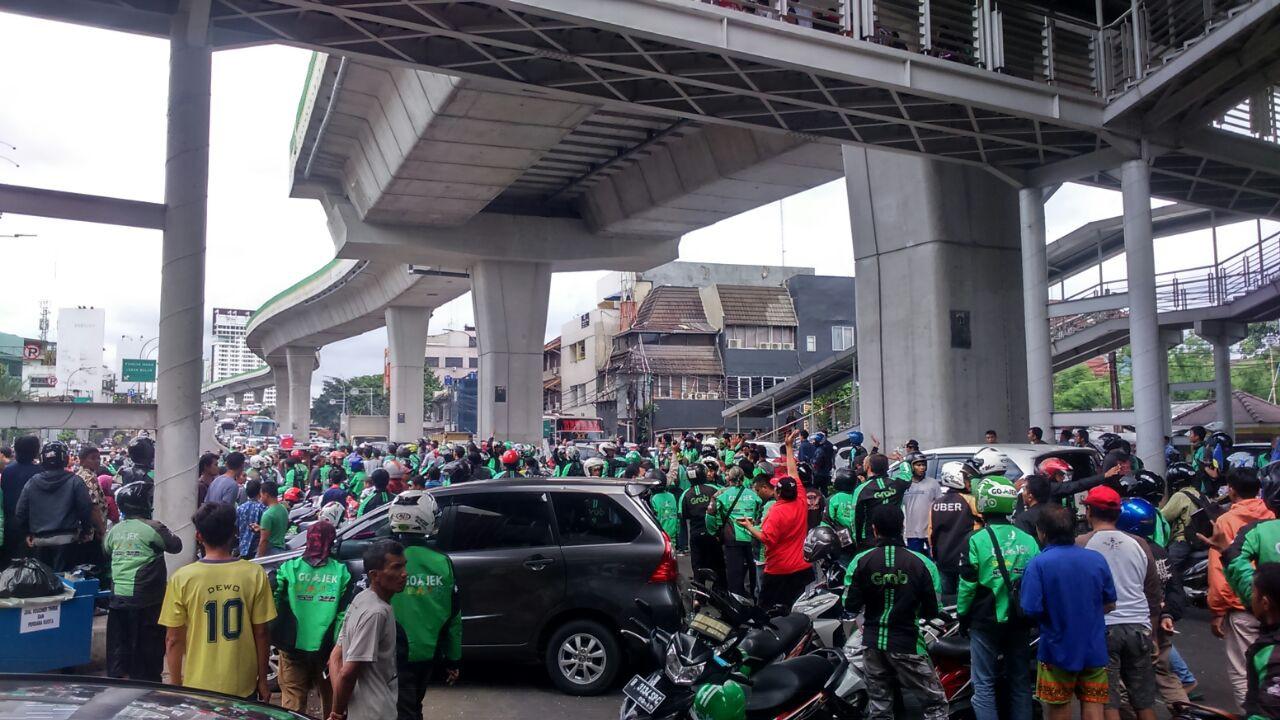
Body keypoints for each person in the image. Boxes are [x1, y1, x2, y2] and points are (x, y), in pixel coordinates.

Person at [160, 502, 276, 700]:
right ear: (234, 532)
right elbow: (262, 633)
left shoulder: (182, 578)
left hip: (199, 685)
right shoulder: (254, 574)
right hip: (242, 684)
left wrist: (176, 686)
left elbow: (173, 639)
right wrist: (263, 680)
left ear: (199, 536)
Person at [842, 505, 947, 720]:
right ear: (902, 526)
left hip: (872, 645)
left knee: (880, 707)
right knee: (935, 704)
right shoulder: (923, 563)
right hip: (907, 643)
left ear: (874, 529)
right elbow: (932, 609)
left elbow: (850, 604)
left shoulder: (859, 561)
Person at [1020, 504, 1115, 720]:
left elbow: (1031, 609)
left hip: (1056, 650)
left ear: (1041, 532)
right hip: (1094, 648)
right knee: (1093, 704)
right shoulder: (1096, 559)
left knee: (1059, 707)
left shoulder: (1038, 564)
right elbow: (1110, 603)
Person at [1076, 486, 1161, 720]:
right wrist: (1153, 634)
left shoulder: (1081, 543)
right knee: (1143, 701)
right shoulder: (1140, 544)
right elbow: (1153, 593)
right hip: (1138, 627)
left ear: (1089, 511)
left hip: (1103, 628)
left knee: (1107, 700)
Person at [958, 478, 1039, 720]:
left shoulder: (975, 540)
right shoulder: (1028, 539)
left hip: (984, 622)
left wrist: (963, 617)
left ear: (982, 504)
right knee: (1021, 682)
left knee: (983, 683)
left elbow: (967, 586)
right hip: (1020, 621)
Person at [1205, 467, 1275, 710]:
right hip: (1275, 605)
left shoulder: (1226, 521)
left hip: (1242, 607)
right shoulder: (1271, 516)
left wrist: (1218, 610)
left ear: (1231, 490)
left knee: (1243, 671)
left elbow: (1219, 571)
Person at [387, 491, 462, 720]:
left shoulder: (385, 562)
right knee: (413, 706)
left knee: (403, 710)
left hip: (391, 655)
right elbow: (453, 616)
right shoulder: (441, 562)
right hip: (427, 654)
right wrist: (453, 659)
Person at [104, 481, 182, 681]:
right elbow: (175, 546)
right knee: (149, 646)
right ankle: (147, 682)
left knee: (119, 643)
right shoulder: (154, 527)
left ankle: (119, 677)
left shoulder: (114, 531)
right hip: (147, 599)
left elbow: (106, 550)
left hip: (118, 598)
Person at [1116, 498, 1189, 710]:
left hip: (1135, 624)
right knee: (1165, 675)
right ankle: (1184, 712)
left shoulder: (1128, 551)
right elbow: (1174, 588)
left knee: (1123, 680)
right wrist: (1167, 614)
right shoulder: (1159, 550)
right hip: (1160, 622)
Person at [274, 520, 353, 716]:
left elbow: (275, 603)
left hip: (293, 648)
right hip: (327, 651)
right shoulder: (341, 571)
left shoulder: (289, 568)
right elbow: (344, 614)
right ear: (332, 541)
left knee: (291, 704)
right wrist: (337, 648)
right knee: (332, 705)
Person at [328, 540, 407, 720]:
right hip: (374, 712)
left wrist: (340, 701)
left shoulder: (360, 599)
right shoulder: (376, 613)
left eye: (404, 566)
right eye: (396, 568)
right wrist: (337, 713)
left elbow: (335, 657)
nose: (404, 574)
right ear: (374, 575)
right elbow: (348, 672)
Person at [738, 432, 813, 610]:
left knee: (766, 611)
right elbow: (793, 472)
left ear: (778, 493)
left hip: (779, 570)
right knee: (796, 610)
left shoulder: (775, 512)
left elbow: (766, 538)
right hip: (802, 568)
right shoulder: (801, 500)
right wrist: (788, 447)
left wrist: (748, 526)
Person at [14, 441, 94, 572]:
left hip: (39, 541)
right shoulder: (75, 481)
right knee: (66, 584)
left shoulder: (32, 482)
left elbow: (20, 511)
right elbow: (85, 508)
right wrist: (85, 530)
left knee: (42, 583)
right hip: (68, 540)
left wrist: (27, 532)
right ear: (66, 459)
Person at [707, 466, 761, 598]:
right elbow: (759, 517)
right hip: (753, 537)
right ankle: (755, 602)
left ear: (729, 478)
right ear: (743, 479)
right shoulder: (754, 495)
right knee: (754, 573)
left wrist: (714, 532)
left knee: (734, 574)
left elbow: (710, 515)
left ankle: (735, 603)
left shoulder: (721, 494)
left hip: (732, 539)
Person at [929, 461, 981, 595]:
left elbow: (931, 533)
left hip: (943, 560)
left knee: (946, 599)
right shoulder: (970, 501)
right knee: (965, 597)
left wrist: (936, 556)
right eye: (966, 479)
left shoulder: (936, 504)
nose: (969, 482)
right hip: (966, 560)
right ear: (956, 479)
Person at [1240, 563, 1280, 720]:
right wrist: (1228, 553)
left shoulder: (1274, 657)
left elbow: (1269, 714)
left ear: (1265, 603)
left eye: (1252, 592)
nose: (1249, 597)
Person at [849, 454, 909, 551]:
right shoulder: (898, 483)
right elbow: (907, 474)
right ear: (887, 468)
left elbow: (855, 517)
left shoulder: (861, 489)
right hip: (896, 538)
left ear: (868, 467)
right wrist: (902, 460)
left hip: (871, 540)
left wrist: (857, 540)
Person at [680, 463, 724, 586]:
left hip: (695, 534)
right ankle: (719, 593)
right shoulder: (714, 489)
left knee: (698, 566)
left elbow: (683, 515)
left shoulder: (685, 494)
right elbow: (722, 508)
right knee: (718, 564)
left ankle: (699, 596)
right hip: (714, 533)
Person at [1, 435, 41, 561]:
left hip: (10, 524)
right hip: (33, 526)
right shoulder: (40, 472)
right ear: (35, 451)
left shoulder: (7, 471)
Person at [901, 452, 942, 555]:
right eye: (918, 465)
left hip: (929, 533)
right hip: (910, 534)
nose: (922, 468)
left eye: (923, 465)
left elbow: (939, 506)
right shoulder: (903, 484)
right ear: (911, 466)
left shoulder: (933, 483)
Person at [256, 481, 290, 558]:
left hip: (271, 553)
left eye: (261, 495)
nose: (260, 498)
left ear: (266, 495)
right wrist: (261, 529)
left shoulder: (267, 515)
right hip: (282, 549)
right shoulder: (283, 509)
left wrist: (259, 559)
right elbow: (278, 528)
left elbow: (264, 540)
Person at [235, 478, 266, 559]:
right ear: (260, 492)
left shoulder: (240, 508)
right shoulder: (263, 508)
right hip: (256, 547)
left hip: (243, 546)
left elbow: (236, 527)